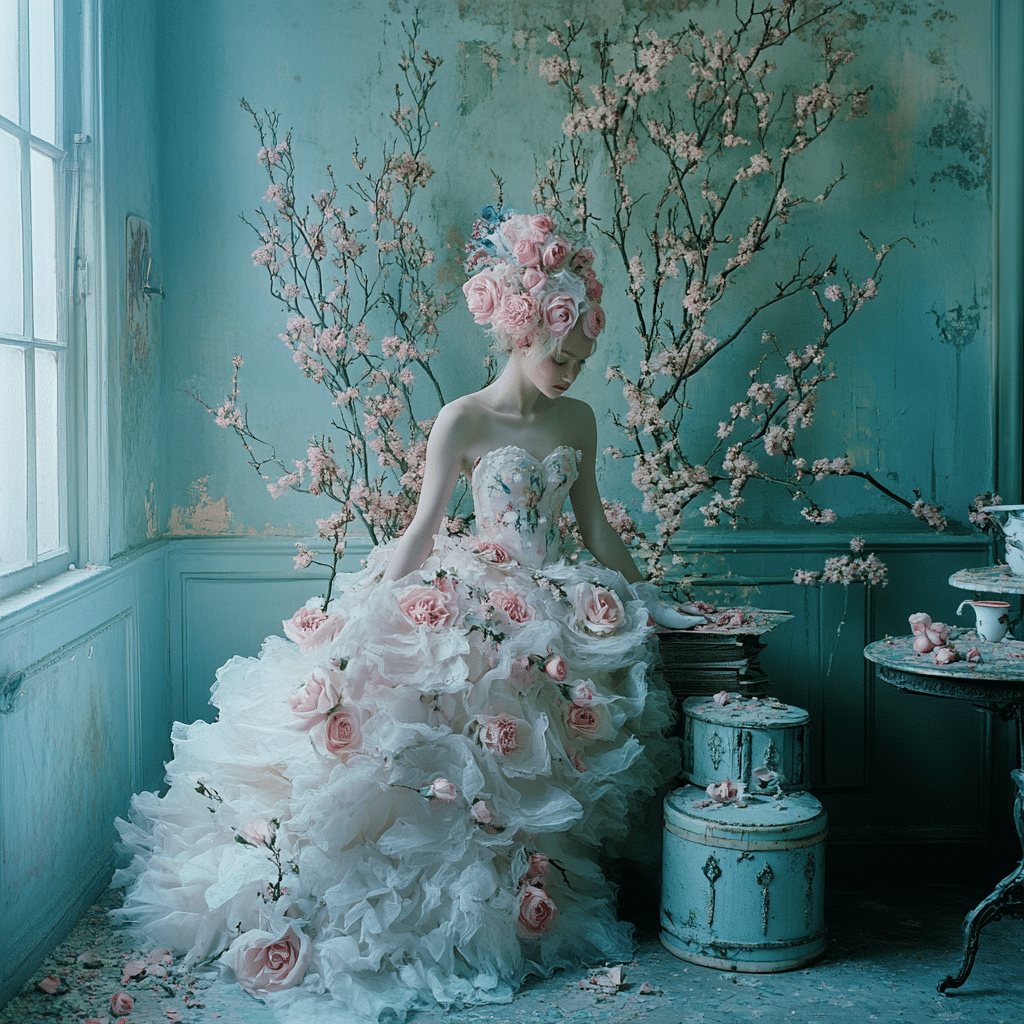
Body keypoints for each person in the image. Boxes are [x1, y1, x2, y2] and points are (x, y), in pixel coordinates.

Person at [112, 206, 704, 1024]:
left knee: (554, 725)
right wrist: (369, 613)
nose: (570, 371)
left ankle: (528, 877)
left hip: (552, 592)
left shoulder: (578, 419)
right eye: (558, 355)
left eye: (580, 358)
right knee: (437, 709)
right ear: (517, 332)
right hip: (476, 581)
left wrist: (652, 597)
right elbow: (423, 532)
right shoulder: (463, 419)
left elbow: (596, 526)